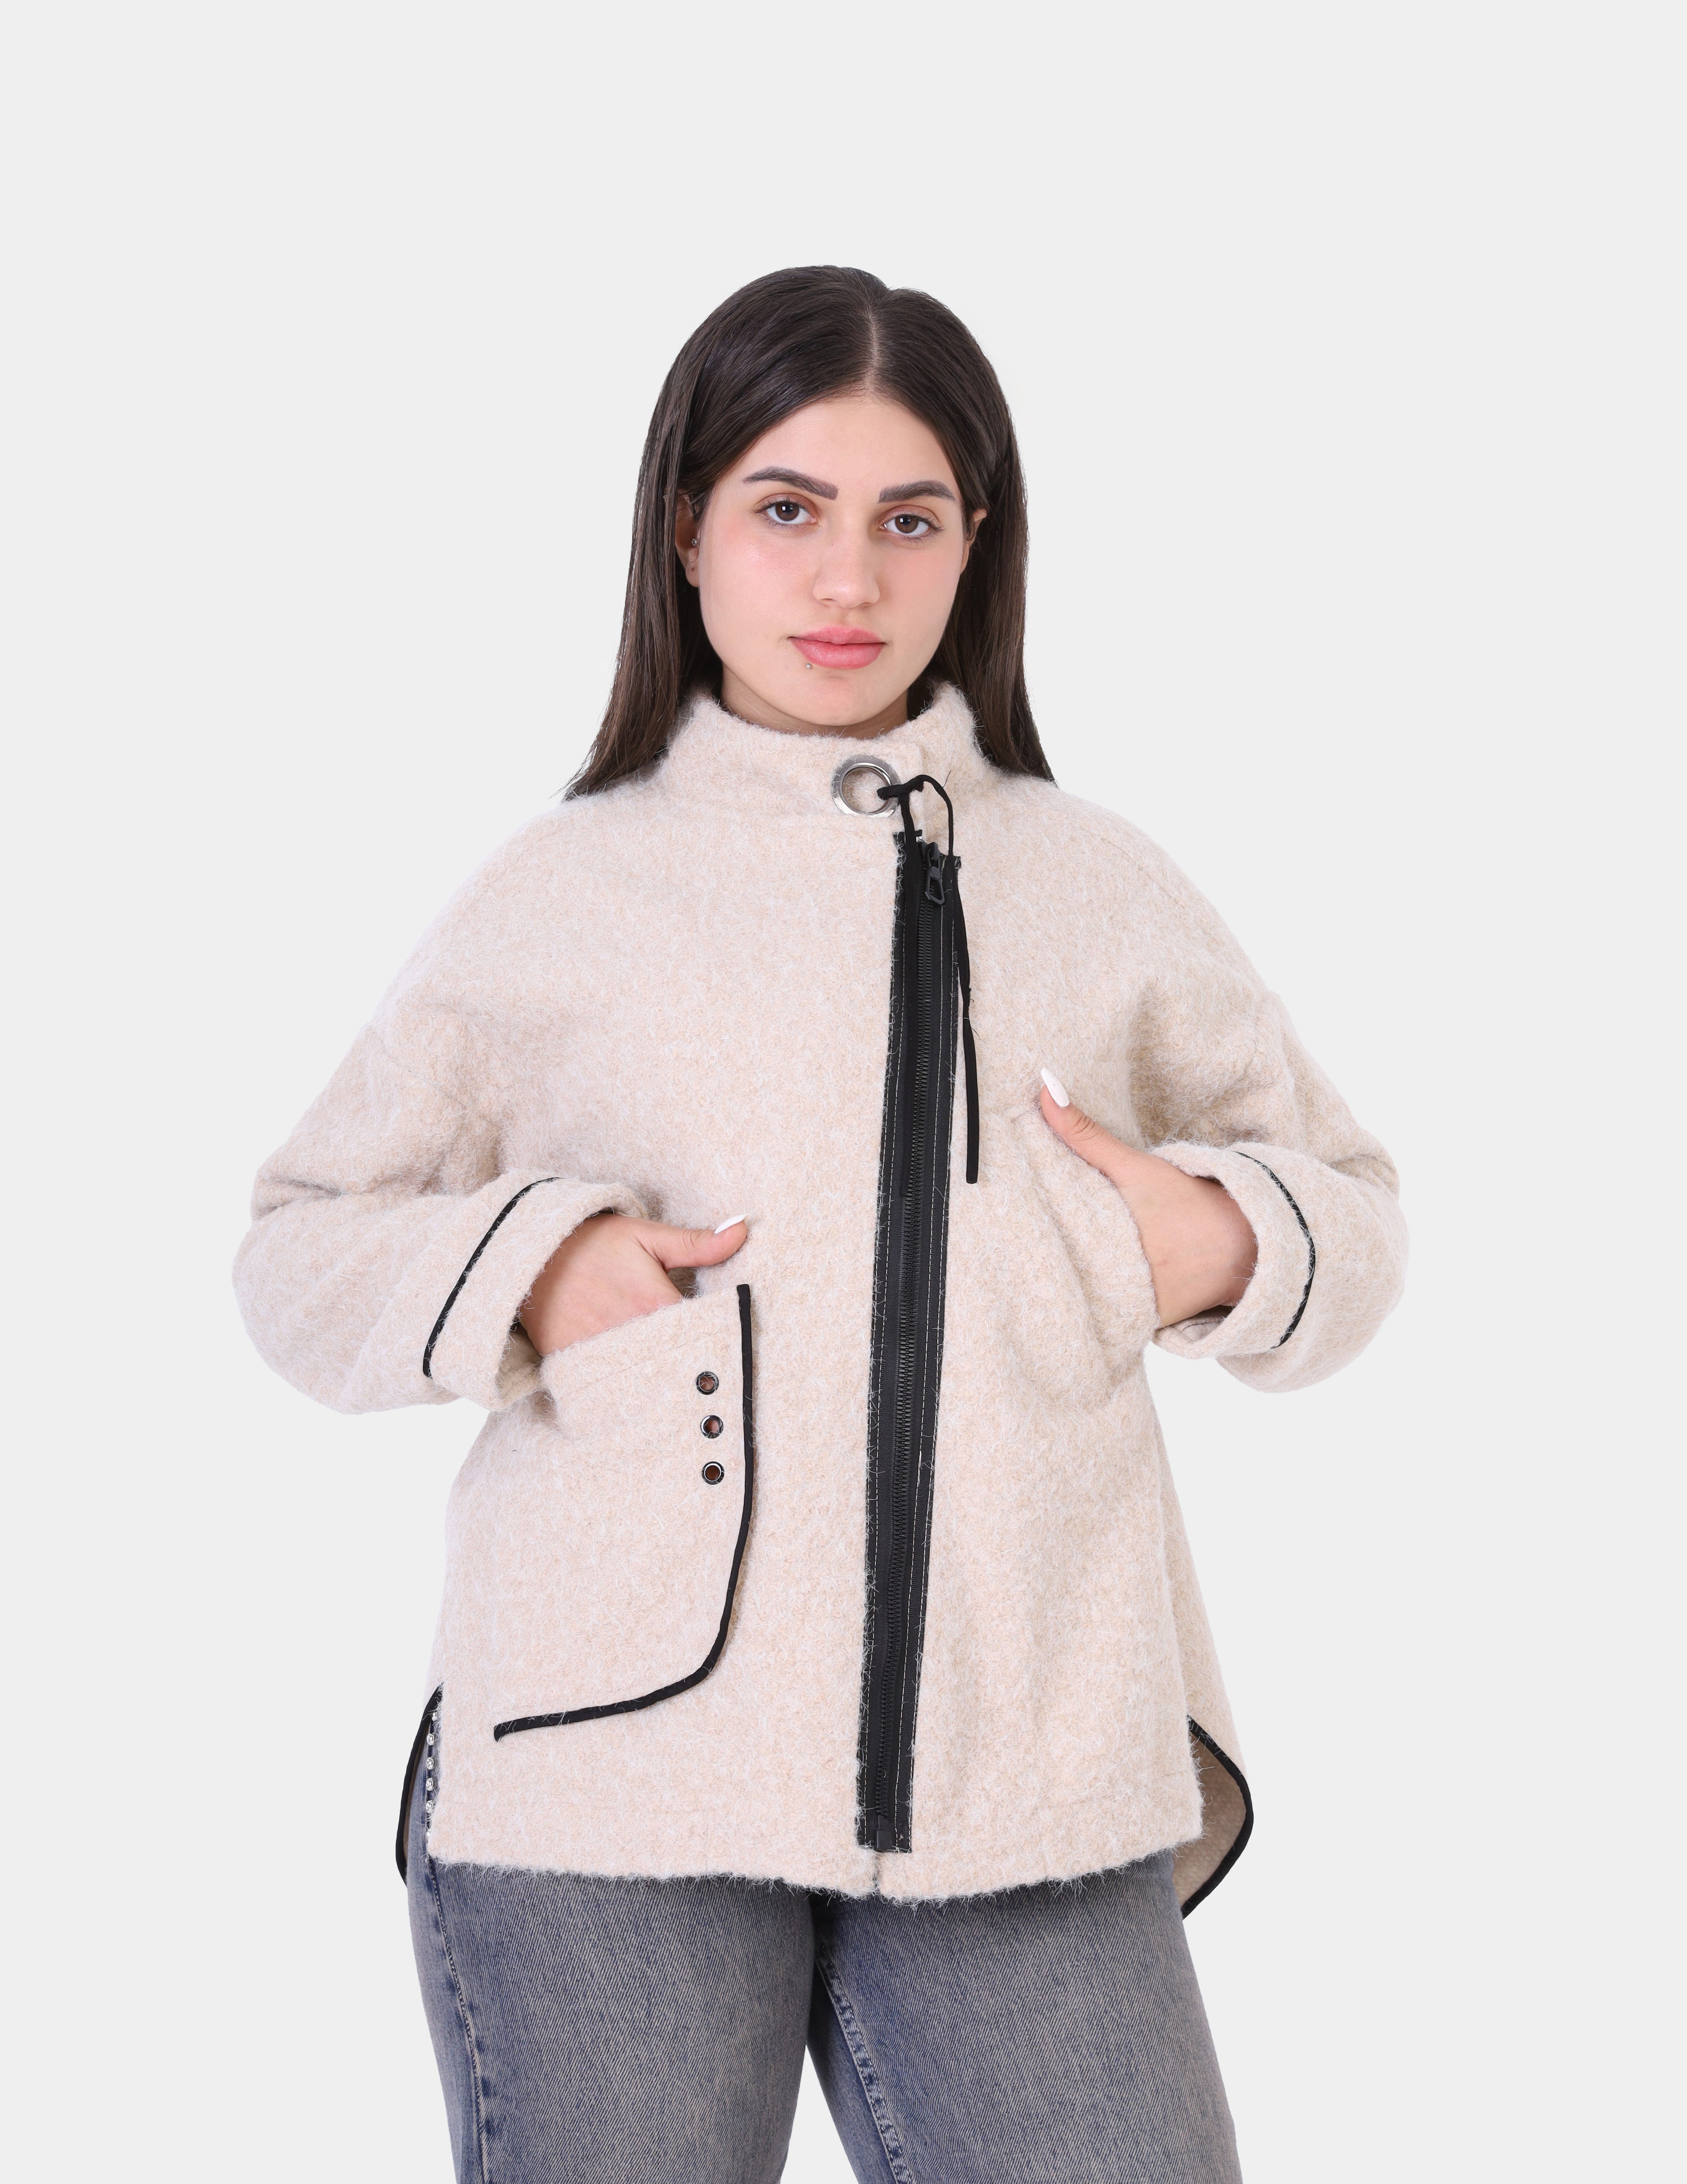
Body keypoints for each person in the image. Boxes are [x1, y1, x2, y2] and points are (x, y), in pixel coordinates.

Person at [235, 265, 1406, 2183]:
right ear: (685, 530)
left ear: (975, 546)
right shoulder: (561, 893)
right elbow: (298, 1248)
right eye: (786, 508)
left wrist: (1220, 1240)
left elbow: (1350, 1212)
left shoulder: (1096, 884)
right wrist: (535, 1266)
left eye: (907, 518)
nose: (847, 576)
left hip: (1026, 1766)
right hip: (610, 1773)